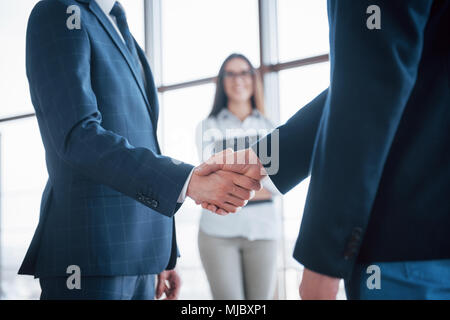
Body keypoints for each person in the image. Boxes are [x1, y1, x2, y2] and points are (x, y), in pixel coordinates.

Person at [196, 0, 450, 300]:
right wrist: (260, 158)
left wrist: (323, 259)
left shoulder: (264, 119)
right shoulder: (208, 124)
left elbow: (371, 82)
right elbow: (388, 71)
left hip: (410, 247)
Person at [19, 0, 261, 300]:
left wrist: (158, 255)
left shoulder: (123, 33)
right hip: (89, 259)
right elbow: (78, 135)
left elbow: (140, 141)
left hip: (143, 261)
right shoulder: (59, 13)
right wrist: (190, 181)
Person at [196, 54, 281, 300]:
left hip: (263, 232)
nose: (238, 80)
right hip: (217, 233)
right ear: (222, 81)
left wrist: (230, 179)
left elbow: (276, 184)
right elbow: (210, 179)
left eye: (244, 72)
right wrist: (258, 177)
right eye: (230, 74)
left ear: (253, 79)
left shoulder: (270, 126)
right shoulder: (207, 126)